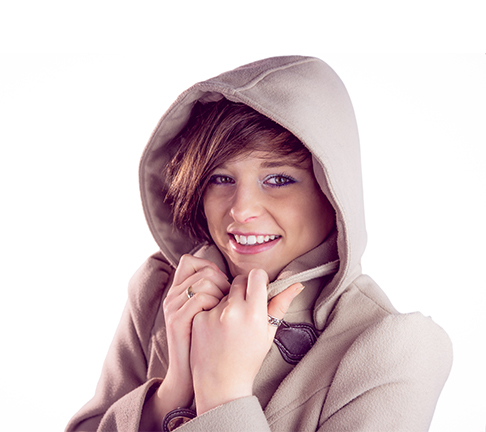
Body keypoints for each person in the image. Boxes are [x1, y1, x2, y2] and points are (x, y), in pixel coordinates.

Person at [65, 56, 452, 432]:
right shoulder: (162, 291)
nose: (241, 209)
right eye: (220, 178)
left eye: (279, 179)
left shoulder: (395, 349)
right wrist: (171, 392)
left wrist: (223, 392)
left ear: (333, 191)